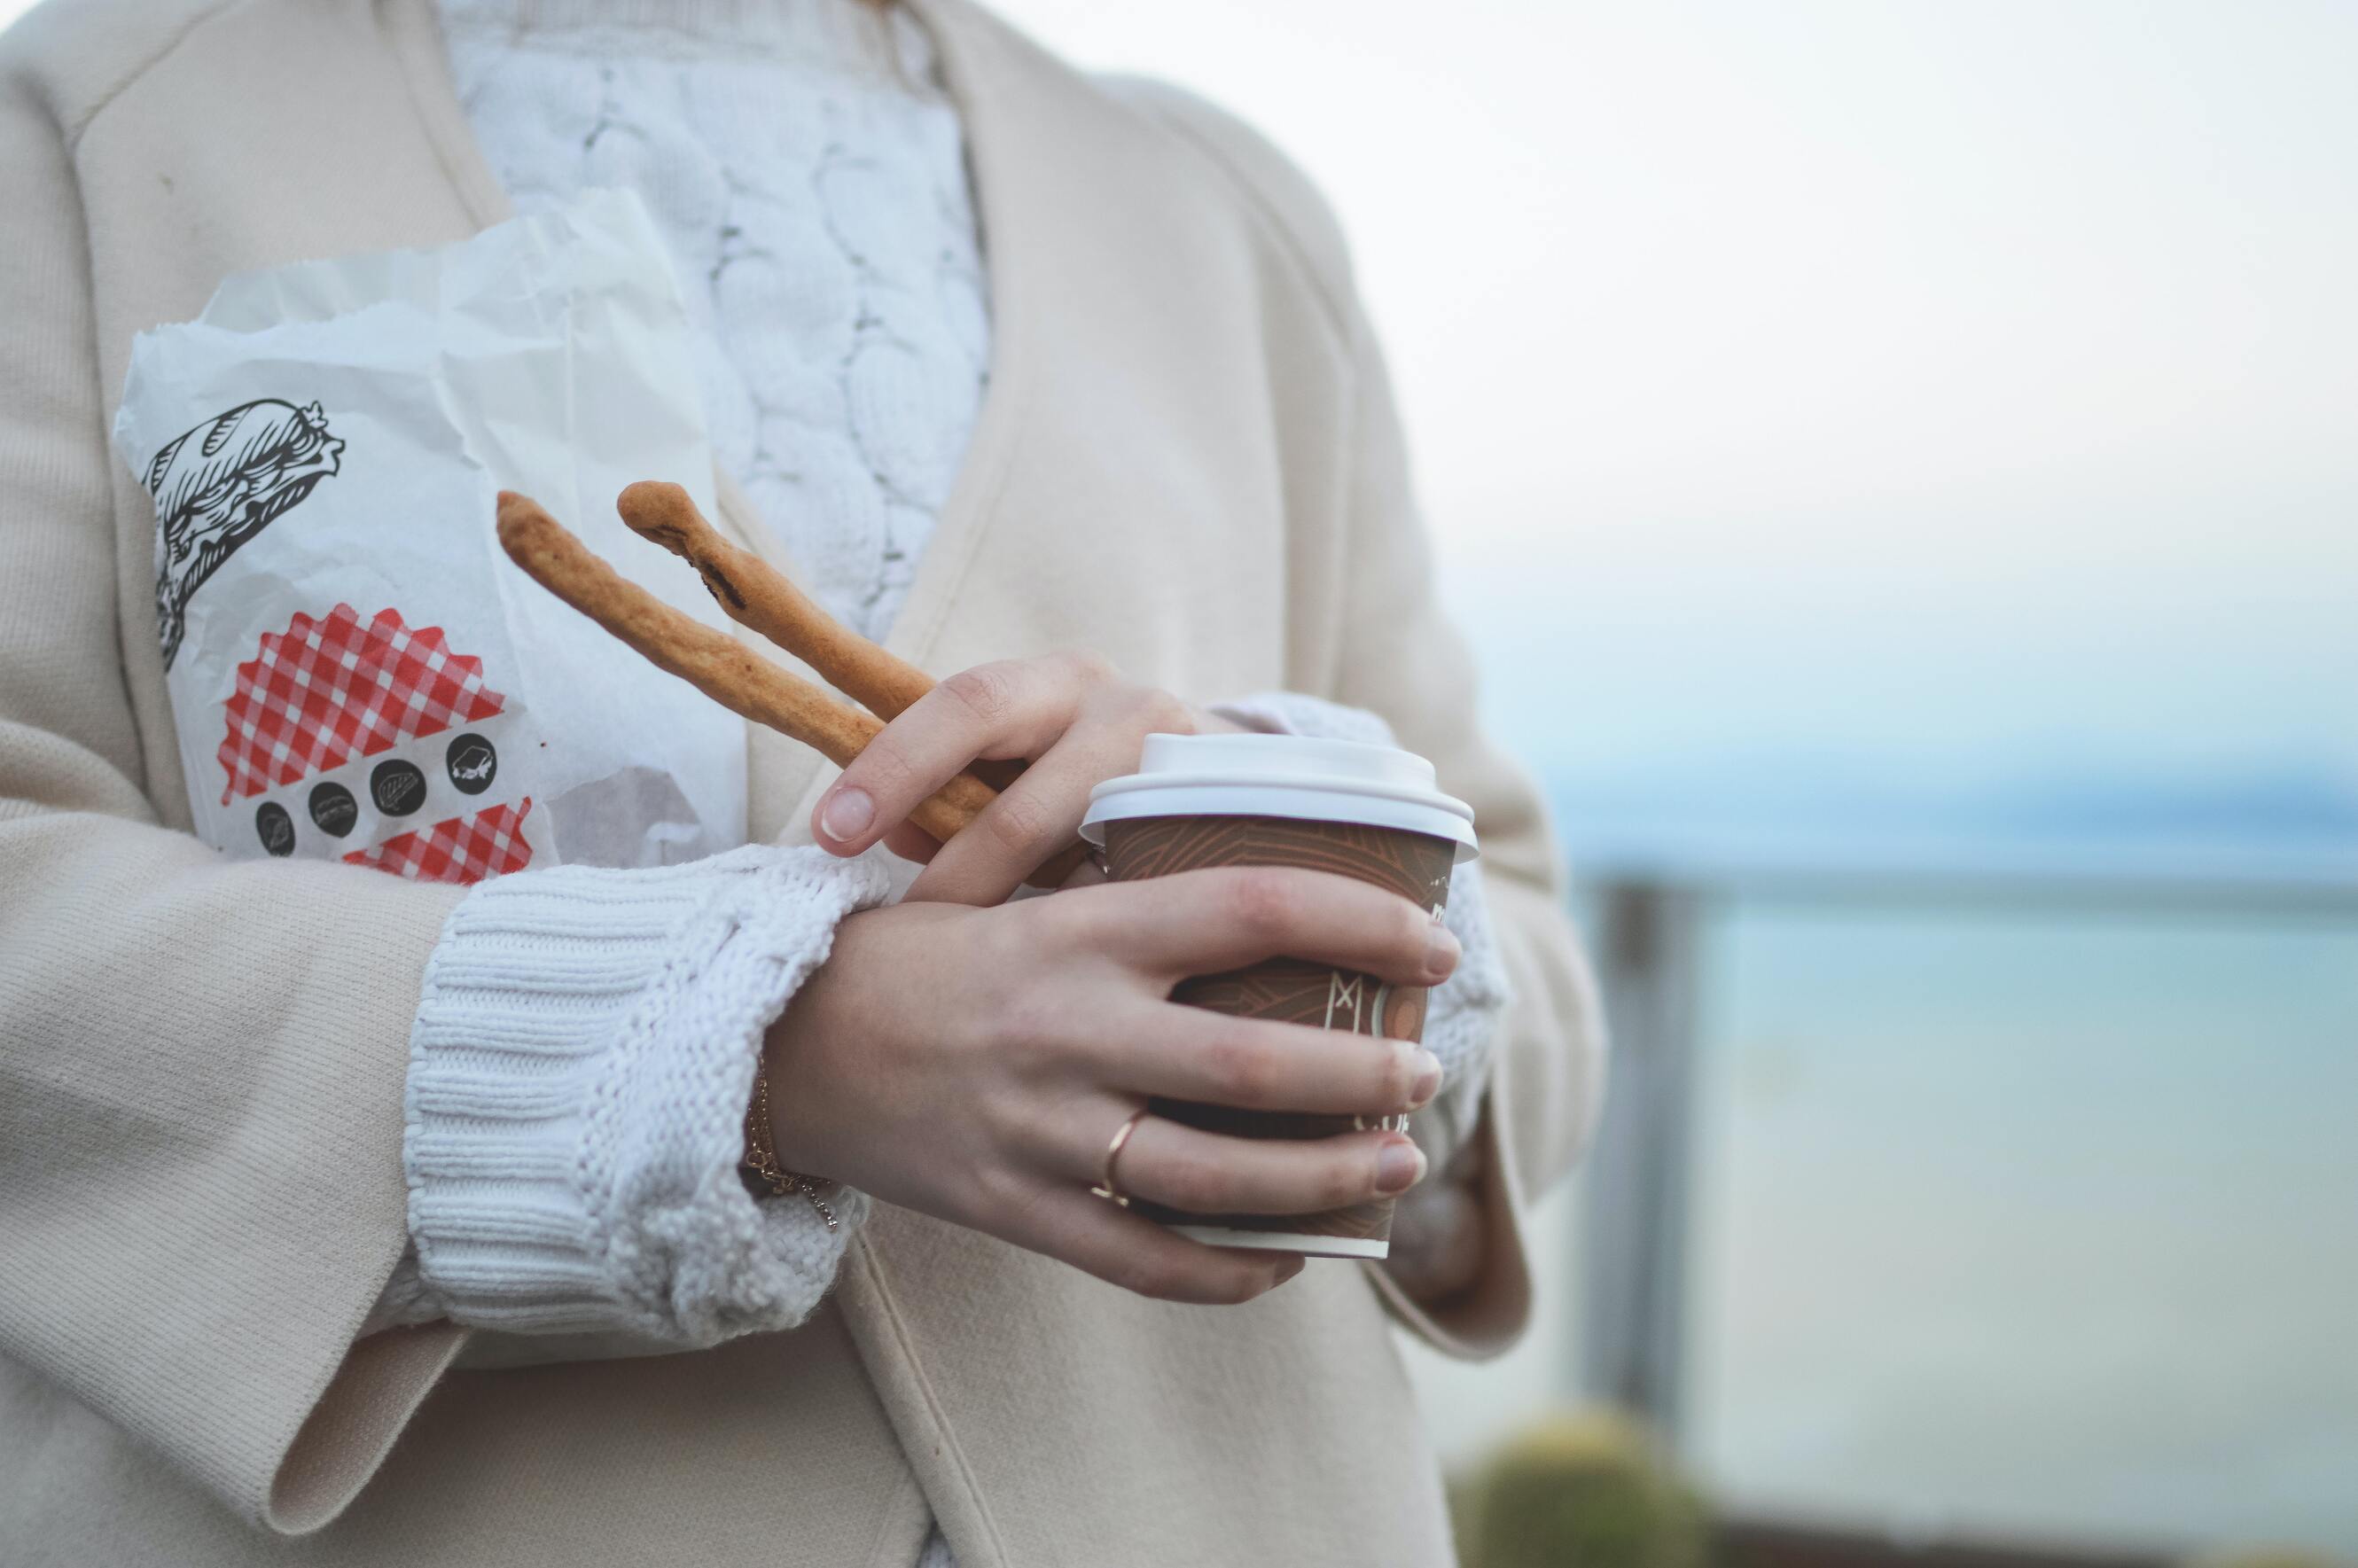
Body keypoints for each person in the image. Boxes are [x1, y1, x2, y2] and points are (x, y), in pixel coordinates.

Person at [0, 0, 1605, 1560]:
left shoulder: (1226, 218)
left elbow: (1522, 971)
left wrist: (1260, 848)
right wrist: (763, 1056)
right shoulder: (81, 132)